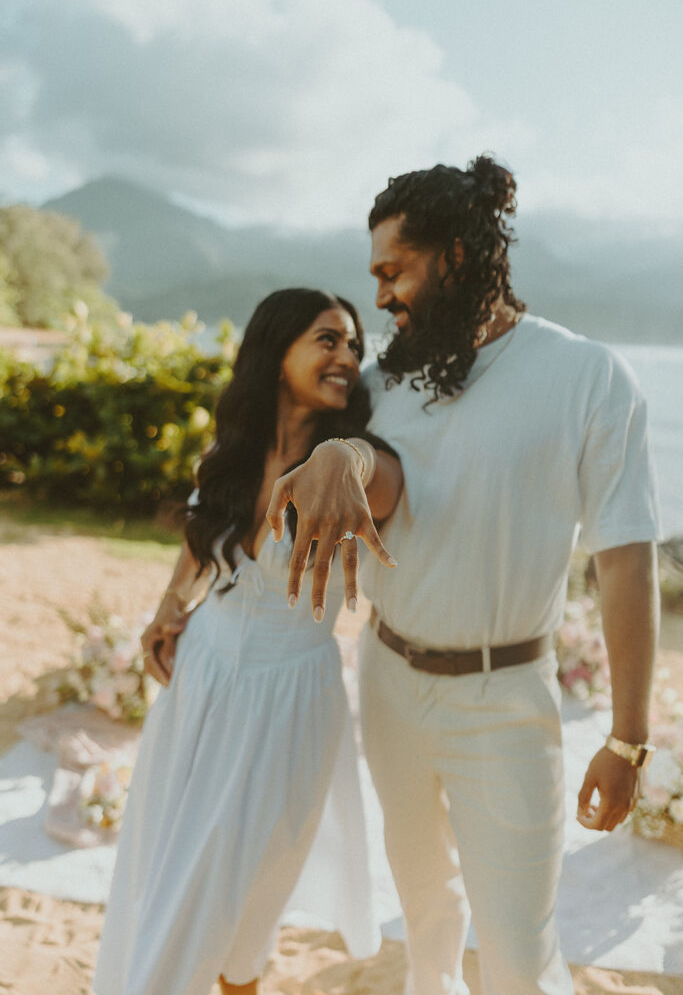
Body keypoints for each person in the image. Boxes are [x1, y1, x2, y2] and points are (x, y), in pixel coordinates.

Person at [266, 157, 661, 995]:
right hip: (386, 678)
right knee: (424, 913)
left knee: (519, 949)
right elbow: (353, 467)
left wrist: (626, 736)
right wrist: (338, 448)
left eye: (391, 271)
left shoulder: (587, 377)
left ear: (452, 255)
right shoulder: (381, 381)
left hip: (507, 701)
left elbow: (624, 559)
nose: (379, 297)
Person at [92, 288, 403, 995]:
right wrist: (170, 608)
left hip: (292, 690)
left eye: (354, 345)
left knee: (251, 890)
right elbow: (201, 534)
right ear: (277, 350)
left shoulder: (356, 464)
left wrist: (348, 458)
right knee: (172, 866)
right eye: (327, 339)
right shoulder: (231, 452)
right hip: (202, 673)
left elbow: (378, 484)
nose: (346, 357)